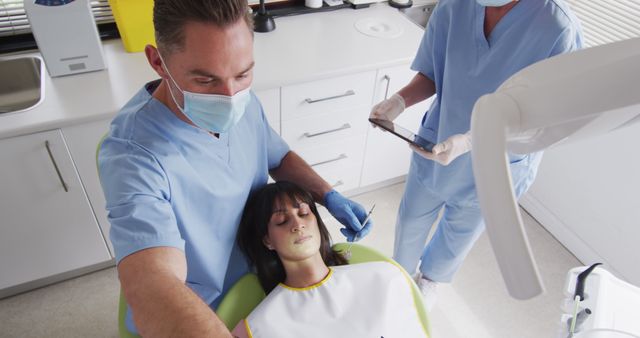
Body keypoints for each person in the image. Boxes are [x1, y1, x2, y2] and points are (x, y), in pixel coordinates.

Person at [98, 1, 371, 336]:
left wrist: (328, 195)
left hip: (262, 269)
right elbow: (154, 284)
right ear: (158, 62)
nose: (229, 96)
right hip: (203, 307)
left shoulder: (243, 101)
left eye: (242, 74)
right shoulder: (133, 156)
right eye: (205, 80)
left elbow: (277, 157)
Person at [370, 0, 583, 309]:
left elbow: (545, 120)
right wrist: (398, 102)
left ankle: (430, 280)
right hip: (439, 137)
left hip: (499, 160)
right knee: (412, 217)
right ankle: (401, 273)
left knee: (459, 232)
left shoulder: (557, 28)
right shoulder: (454, 7)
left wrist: (472, 141)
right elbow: (433, 71)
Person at [231, 181, 428, 338]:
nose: (298, 224)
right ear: (268, 240)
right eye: (282, 221)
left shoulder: (385, 277)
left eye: (304, 213)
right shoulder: (260, 325)